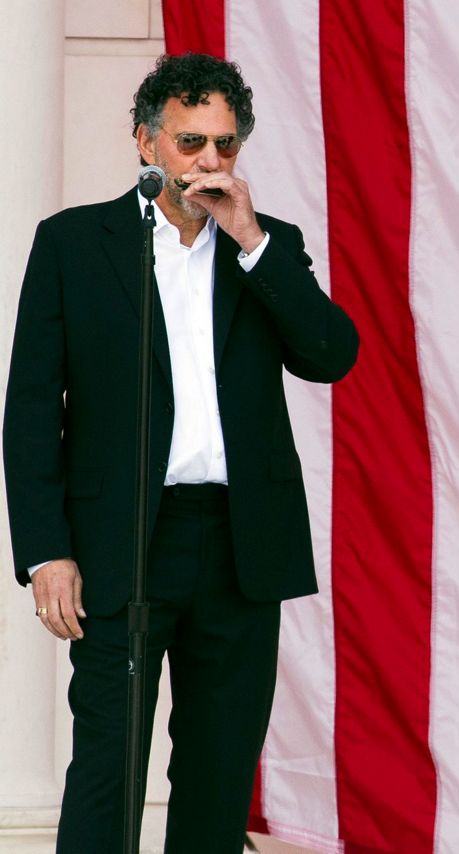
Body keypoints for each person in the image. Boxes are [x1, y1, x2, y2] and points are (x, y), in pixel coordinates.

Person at [4, 53, 358, 850]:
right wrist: (46, 550)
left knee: (219, 768)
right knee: (108, 767)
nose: (210, 161)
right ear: (146, 142)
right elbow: (30, 409)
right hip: (124, 535)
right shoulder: (72, 244)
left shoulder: (267, 248)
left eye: (226, 145)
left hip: (239, 542)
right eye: (192, 141)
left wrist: (253, 242)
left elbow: (332, 355)